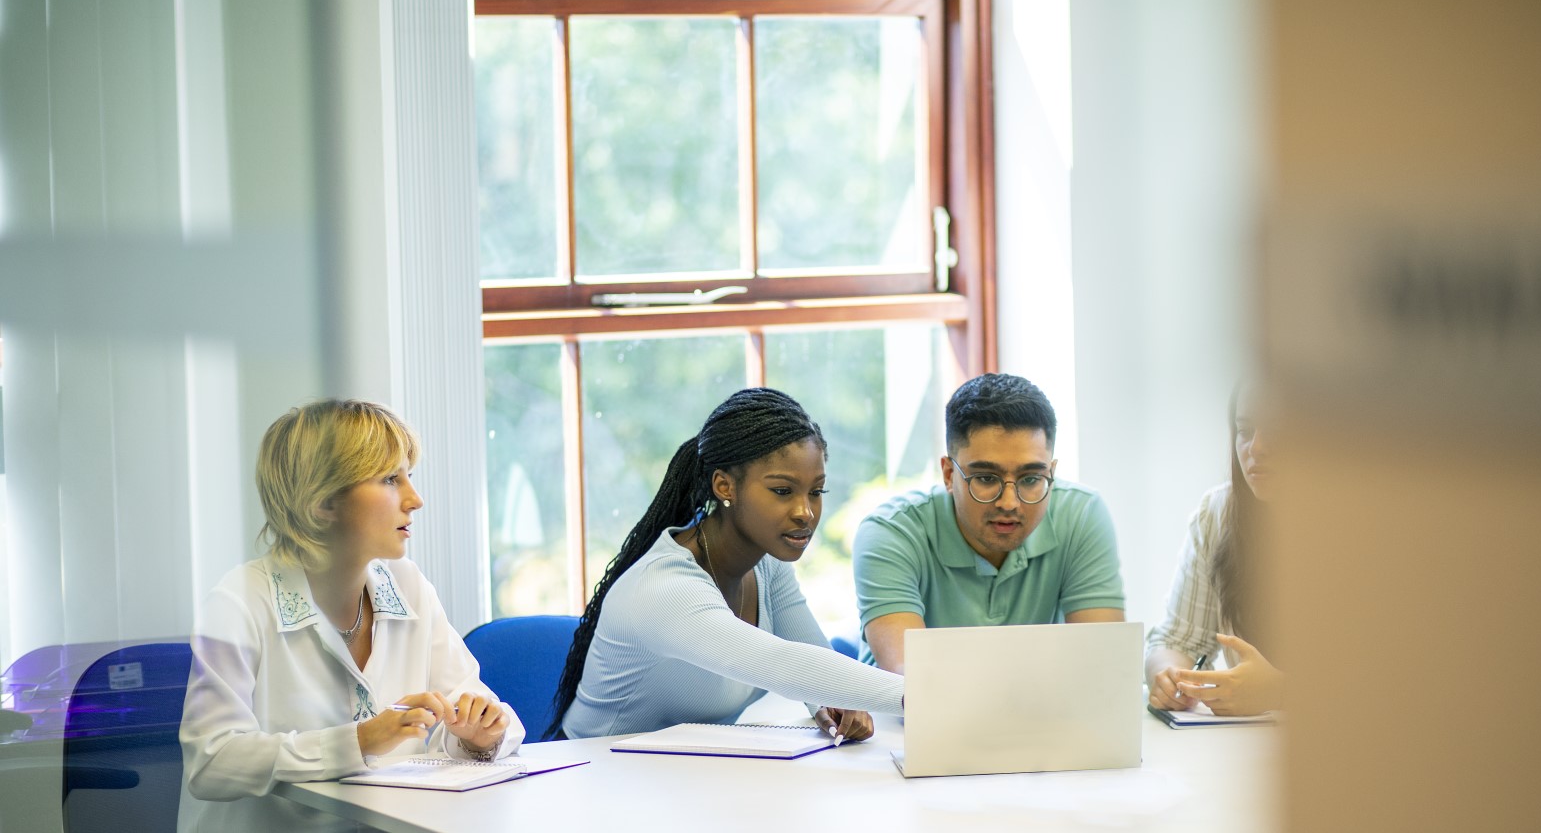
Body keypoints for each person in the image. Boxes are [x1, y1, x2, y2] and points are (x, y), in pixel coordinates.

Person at [180, 400, 525, 832]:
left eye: (409, 477)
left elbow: (479, 711)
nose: (415, 500)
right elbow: (211, 762)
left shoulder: (408, 584)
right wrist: (359, 741)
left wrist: (480, 733)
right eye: (389, 479)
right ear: (324, 503)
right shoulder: (239, 600)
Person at [552, 388, 905, 741]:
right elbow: (780, 662)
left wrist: (831, 702)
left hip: (682, 776)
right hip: (596, 776)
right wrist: (923, 697)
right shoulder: (666, 588)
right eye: (782, 491)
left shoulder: (767, 567)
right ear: (724, 486)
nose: (806, 512)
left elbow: (814, 659)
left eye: (816, 491)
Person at [853, 373, 1126, 674]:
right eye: (985, 478)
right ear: (948, 474)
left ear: (1052, 471)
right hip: (901, 720)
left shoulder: (1081, 514)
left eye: (1031, 479)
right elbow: (914, 684)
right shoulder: (891, 533)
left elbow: (1102, 669)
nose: (1009, 502)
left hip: (1038, 716)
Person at [1145, 384, 1285, 716]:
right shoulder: (1219, 512)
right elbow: (1177, 642)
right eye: (1245, 430)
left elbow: (1394, 678)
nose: (1257, 447)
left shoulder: (1372, 524)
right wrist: (1169, 677)